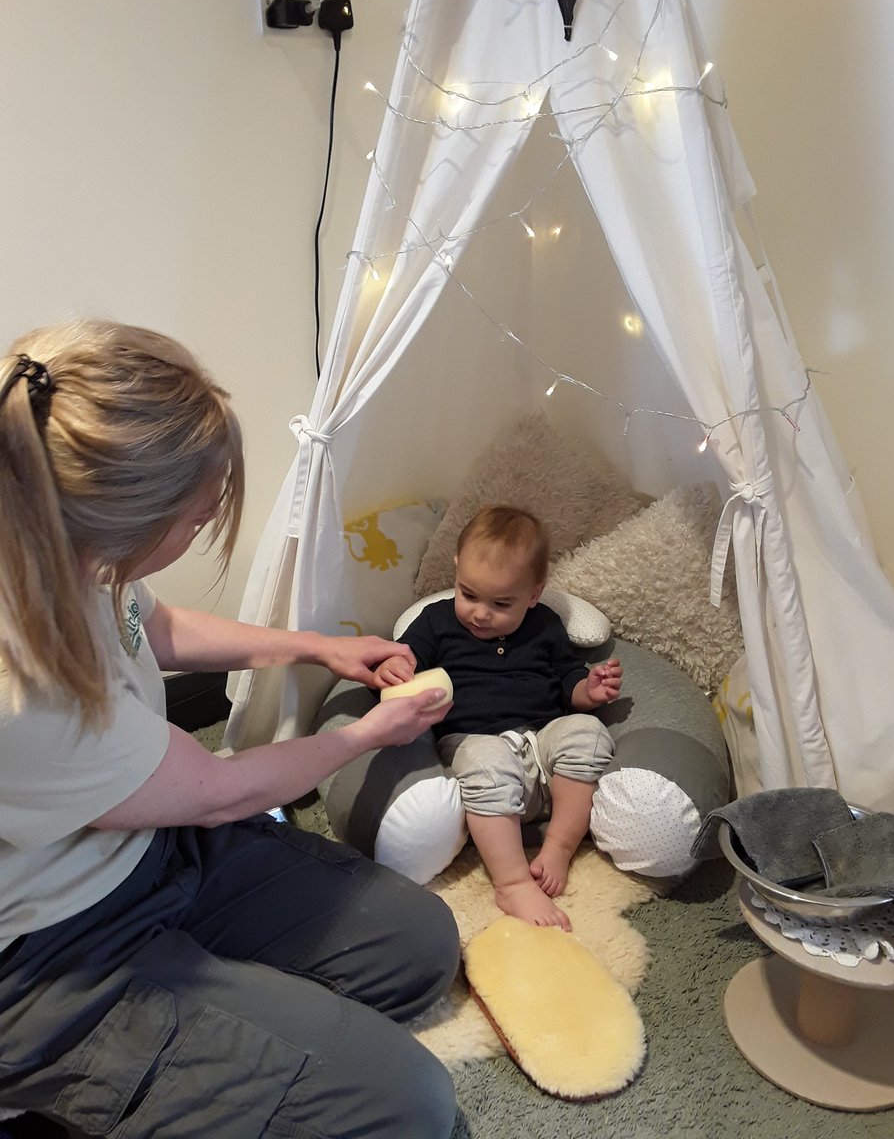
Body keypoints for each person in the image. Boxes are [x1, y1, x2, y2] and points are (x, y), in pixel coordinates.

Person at [0, 321, 460, 1139]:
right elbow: (218, 792)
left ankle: (223, 1012)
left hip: (150, 846)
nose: (207, 524)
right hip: (50, 950)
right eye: (198, 517)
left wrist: (320, 646)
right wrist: (370, 734)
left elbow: (158, 627)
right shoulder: (21, 684)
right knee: (411, 1108)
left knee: (418, 949)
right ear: (126, 516)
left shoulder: (67, 541)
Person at [374, 505, 622, 931]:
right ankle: (511, 882)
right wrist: (390, 672)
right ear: (455, 571)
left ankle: (559, 847)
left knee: (588, 733)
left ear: (533, 593)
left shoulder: (544, 625)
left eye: (501, 602)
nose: (480, 613)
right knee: (488, 759)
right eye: (468, 594)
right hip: (472, 741)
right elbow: (402, 668)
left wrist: (590, 691)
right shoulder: (435, 622)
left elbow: (570, 682)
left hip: (543, 740)